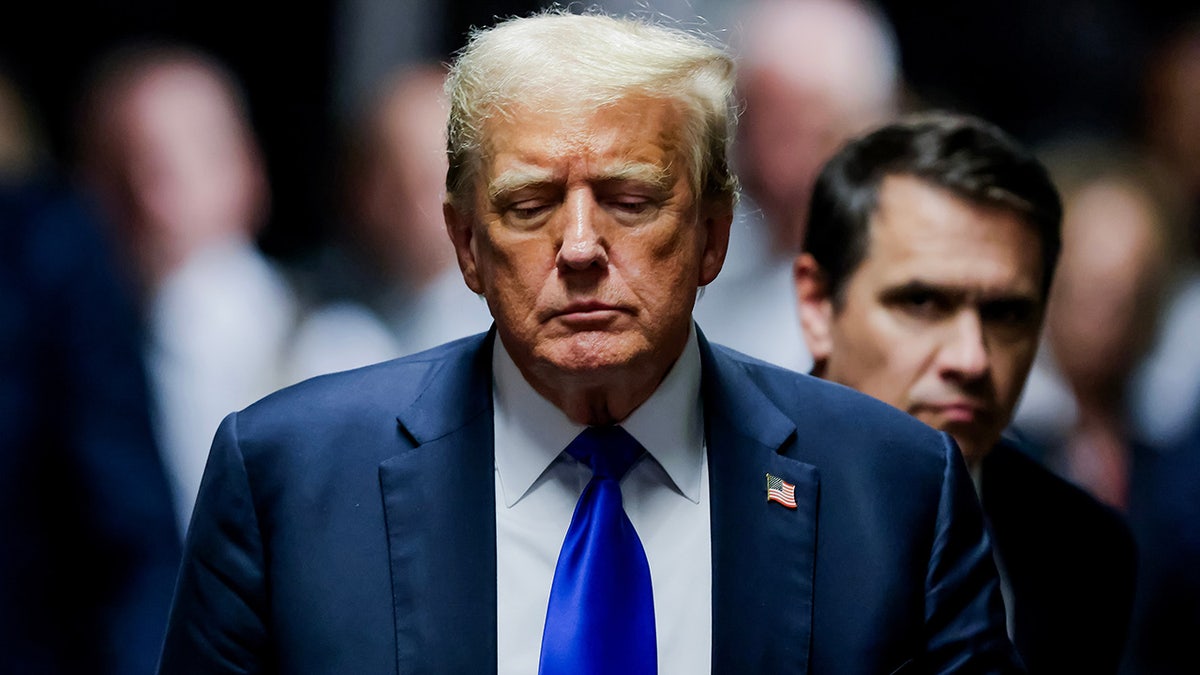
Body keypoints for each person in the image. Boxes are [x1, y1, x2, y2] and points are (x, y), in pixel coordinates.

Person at [159, 12, 1018, 674]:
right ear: (466, 245)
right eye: (529, 204)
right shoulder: (288, 480)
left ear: (714, 233)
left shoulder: (897, 490)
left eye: (631, 199)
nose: (578, 248)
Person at [794, 111, 1137, 673]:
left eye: (1006, 314)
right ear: (818, 306)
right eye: (922, 303)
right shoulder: (715, 499)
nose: (972, 358)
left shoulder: (1085, 550)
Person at [75, 43, 301, 529]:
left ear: (248, 170)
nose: (150, 201)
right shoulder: (63, 358)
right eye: (121, 169)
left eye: (180, 165)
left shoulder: (333, 352)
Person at [692, 0, 901, 371]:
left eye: (804, 133)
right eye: (753, 126)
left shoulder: (919, 288)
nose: (776, 166)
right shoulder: (707, 272)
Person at [285, 63, 492, 382]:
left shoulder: (510, 331)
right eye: (387, 175)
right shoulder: (304, 318)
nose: (410, 202)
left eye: (428, 178)